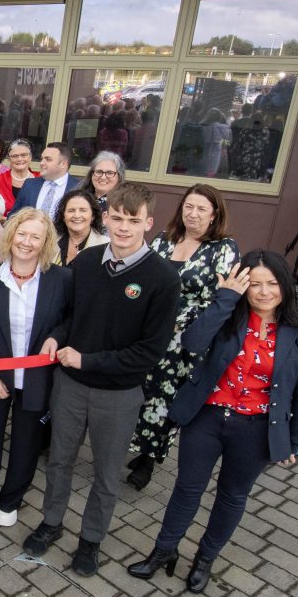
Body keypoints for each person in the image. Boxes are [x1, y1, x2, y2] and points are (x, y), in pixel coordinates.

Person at [127, 252, 298, 593]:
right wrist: (226, 298)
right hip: (208, 417)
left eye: (272, 284)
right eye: (255, 284)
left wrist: (296, 439)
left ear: (285, 286)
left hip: (257, 428)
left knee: (232, 496)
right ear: (242, 283)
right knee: (187, 489)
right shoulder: (227, 313)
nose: (263, 292)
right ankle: (163, 551)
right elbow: (192, 343)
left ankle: (205, 559)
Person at [29, 182, 181, 575]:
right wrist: (55, 337)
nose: (124, 227)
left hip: (118, 393)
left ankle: (91, 541)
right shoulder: (86, 262)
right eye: (117, 218)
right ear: (106, 217)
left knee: (106, 473)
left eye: (134, 220)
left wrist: (87, 360)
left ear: (149, 223)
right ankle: (51, 523)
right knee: (59, 460)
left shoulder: (163, 278)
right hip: (70, 386)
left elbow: (149, 352)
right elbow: (67, 317)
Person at [0, 208, 71, 530]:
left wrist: (55, 337)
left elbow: (70, 320)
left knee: (26, 441)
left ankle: (10, 499)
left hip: (37, 379)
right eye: (22, 234)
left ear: (46, 242)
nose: (27, 242)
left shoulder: (60, 280)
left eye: (36, 236)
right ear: (11, 236)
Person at [127, 185, 239, 489]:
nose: (193, 213)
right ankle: (133, 444)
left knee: (163, 399)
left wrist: (176, 321)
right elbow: (144, 276)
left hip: (182, 338)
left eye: (202, 209)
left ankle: (148, 460)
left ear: (215, 214)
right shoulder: (165, 239)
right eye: (189, 206)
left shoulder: (223, 248)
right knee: (139, 390)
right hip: (147, 330)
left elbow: (219, 297)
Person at [54, 184, 108, 264]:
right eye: (71, 210)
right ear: (63, 216)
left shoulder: (105, 245)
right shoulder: (51, 242)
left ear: (93, 216)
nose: (77, 215)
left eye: (83, 210)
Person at [0, 138, 36, 213]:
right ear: (9, 159)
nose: (19, 159)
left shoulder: (40, 180)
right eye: (15, 156)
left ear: (30, 157)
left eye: (24, 155)